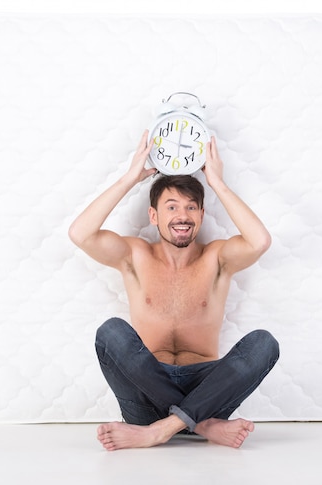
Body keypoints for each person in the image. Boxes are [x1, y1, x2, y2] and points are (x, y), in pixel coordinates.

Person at [68, 130, 279, 451]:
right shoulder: (134, 256)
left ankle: (162, 430)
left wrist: (217, 184)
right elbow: (80, 233)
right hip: (144, 395)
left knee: (263, 344)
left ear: (202, 215)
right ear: (153, 216)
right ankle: (201, 426)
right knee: (111, 333)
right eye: (171, 207)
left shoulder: (217, 258)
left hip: (207, 391)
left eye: (192, 207)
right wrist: (130, 178)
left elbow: (260, 241)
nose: (182, 215)